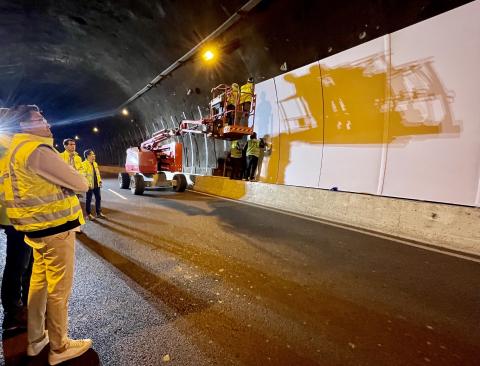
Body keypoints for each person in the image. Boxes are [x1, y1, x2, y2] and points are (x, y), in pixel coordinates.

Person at [0, 105, 92, 365]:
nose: (47, 122)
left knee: (38, 285)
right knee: (59, 290)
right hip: (56, 228)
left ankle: (36, 339)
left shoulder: (14, 151)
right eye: (40, 118)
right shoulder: (37, 150)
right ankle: (60, 347)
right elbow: (81, 183)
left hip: (35, 229)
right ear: (26, 125)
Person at [0, 122, 33, 331]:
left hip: (19, 215)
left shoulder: (12, 144)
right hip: (15, 216)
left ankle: (25, 305)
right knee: (17, 264)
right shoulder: (9, 145)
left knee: (25, 263)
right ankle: (13, 313)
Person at [82, 149, 105, 220]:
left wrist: (100, 181)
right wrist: (87, 184)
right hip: (89, 185)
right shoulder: (84, 164)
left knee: (98, 198)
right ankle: (88, 214)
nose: (94, 156)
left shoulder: (95, 163)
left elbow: (97, 174)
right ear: (87, 156)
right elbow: (83, 175)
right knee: (88, 200)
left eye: (94, 154)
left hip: (96, 185)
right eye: (92, 154)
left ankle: (98, 213)